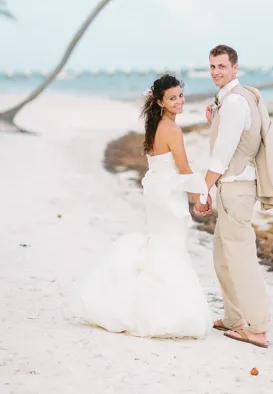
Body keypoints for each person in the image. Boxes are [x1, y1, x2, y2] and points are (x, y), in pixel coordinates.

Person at [72, 73, 213, 338]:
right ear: (160, 101)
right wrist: (201, 197)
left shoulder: (155, 126)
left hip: (157, 192)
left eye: (180, 95)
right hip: (168, 195)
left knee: (162, 244)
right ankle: (167, 314)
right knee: (171, 247)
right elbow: (183, 169)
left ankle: (150, 307)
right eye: (172, 98)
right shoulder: (172, 130)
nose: (179, 101)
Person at [203, 44, 273, 349]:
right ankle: (234, 317)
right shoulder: (234, 99)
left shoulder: (235, 102)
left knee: (241, 260)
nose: (216, 72)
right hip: (234, 186)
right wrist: (214, 119)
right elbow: (238, 138)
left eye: (222, 66)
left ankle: (257, 328)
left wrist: (203, 190)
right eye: (212, 66)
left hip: (236, 187)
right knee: (222, 256)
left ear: (235, 68)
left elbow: (222, 154)